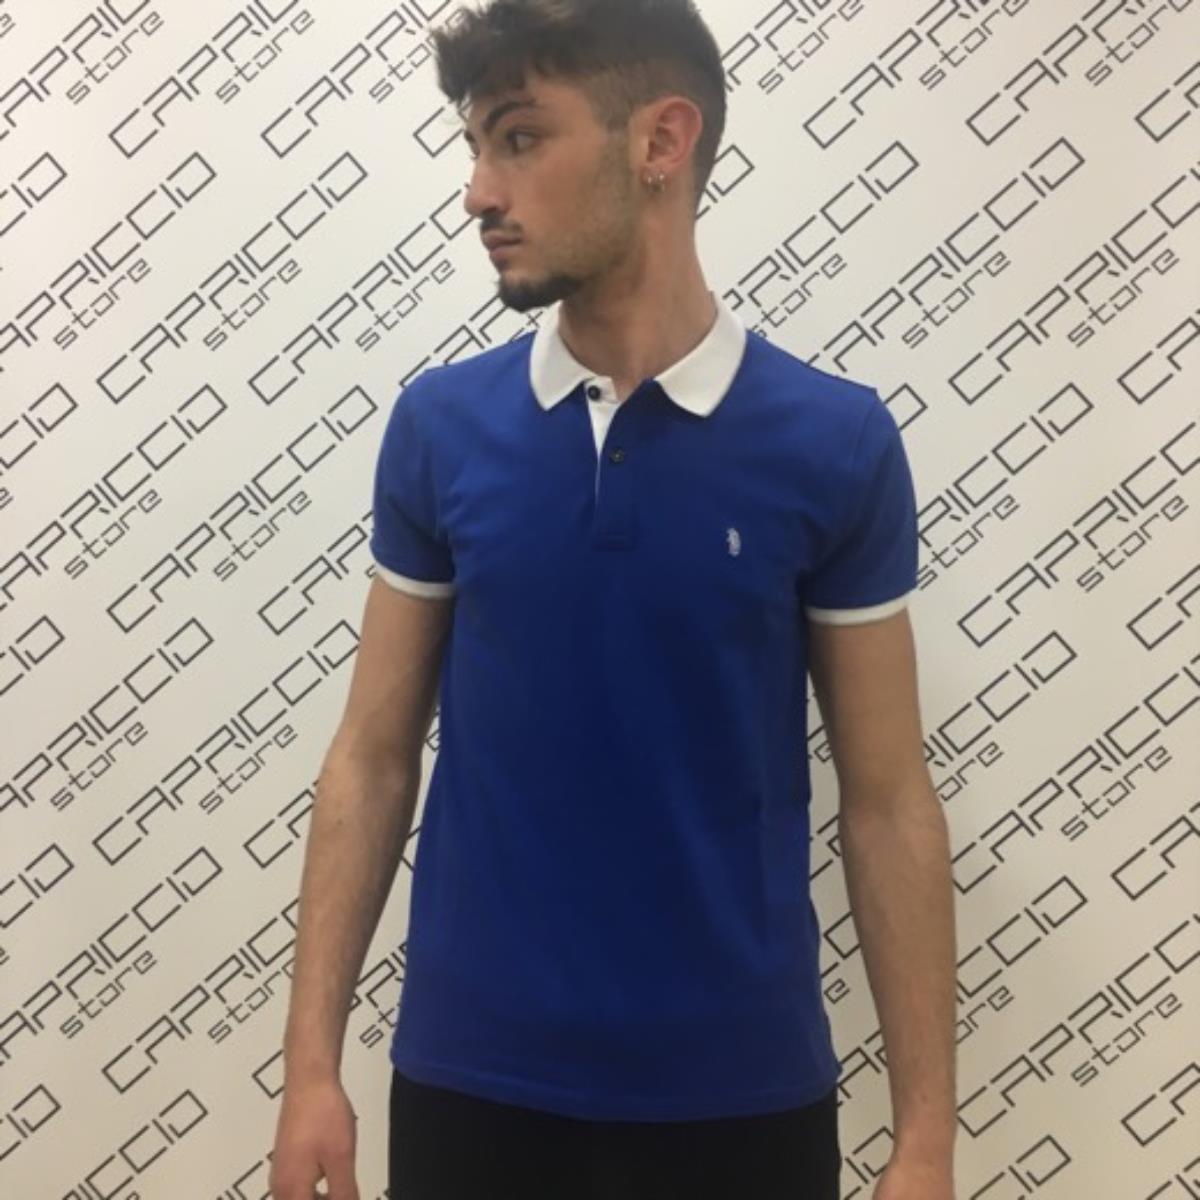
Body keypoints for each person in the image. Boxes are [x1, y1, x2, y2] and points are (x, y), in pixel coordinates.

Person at [268, 1, 958, 1197]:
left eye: (520, 138)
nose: (479, 192)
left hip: (741, 1099)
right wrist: (310, 1069)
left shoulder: (834, 445)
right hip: (473, 1088)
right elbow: (371, 759)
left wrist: (927, 1139)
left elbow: (890, 801)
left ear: (660, 142)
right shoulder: (440, 429)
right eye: (475, 147)